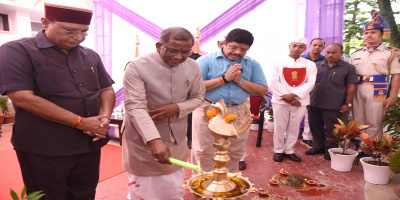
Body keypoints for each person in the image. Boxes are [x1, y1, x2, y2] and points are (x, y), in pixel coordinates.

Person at [0, 0, 115, 199]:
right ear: (45, 23)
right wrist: (80, 122)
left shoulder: (90, 55)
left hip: (89, 142)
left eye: (84, 32)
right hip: (45, 147)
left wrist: (103, 118)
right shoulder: (17, 50)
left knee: (84, 193)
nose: (78, 37)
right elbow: (23, 98)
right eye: (70, 31)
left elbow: (106, 89)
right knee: (48, 196)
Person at [122, 27, 205, 200]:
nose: (178, 57)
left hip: (177, 137)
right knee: (146, 189)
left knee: (173, 186)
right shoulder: (137, 67)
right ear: (159, 45)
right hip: (142, 139)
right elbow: (135, 107)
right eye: (173, 51)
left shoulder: (193, 66)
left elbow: (198, 97)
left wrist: (177, 108)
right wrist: (153, 139)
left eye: (185, 52)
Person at [191, 28, 268, 173]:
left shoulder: (253, 64)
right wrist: (224, 79)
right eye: (233, 47)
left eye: (243, 49)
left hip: (239, 109)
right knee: (204, 149)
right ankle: (202, 181)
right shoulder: (206, 60)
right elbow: (195, 88)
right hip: (208, 108)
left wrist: (240, 81)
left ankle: (229, 183)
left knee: (235, 150)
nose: (238, 52)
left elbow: (262, 90)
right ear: (224, 43)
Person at [349, 10, 400, 140]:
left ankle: (372, 149)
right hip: (357, 87)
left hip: (378, 87)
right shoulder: (356, 54)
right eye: (366, 33)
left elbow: (396, 75)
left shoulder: (391, 53)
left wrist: (393, 95)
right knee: (357, 119)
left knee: (374, 121)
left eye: (373, 32)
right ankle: (359, 145)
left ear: (382, 34)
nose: (369, 35)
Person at [306, 43, 358, 160]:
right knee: (315, 126)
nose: (330, 55)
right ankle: (318, 146)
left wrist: (347, 104)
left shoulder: (348, 68)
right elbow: (308, 84)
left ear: (341, 54)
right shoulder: (316, 66)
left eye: (334, 52)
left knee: (333, 130)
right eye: (328, 52)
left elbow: (351, 87)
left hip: (335, 105)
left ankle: (330, 150)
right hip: (314, 103)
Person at [269, 36, 317, 162]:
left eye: (300, 46)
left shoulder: (310, 65)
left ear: (305, 49)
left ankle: (289, 150)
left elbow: (311, 83)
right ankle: (278, 150)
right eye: (294, 46)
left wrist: (294, 95)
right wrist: (288, 98)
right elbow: (273, 82)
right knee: (279, 126)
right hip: (281, 100)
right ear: (289, 46)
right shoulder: (278, 62)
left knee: (294, 127)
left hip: (300, 101)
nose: (297, 49)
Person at [299, 38, 326, 149]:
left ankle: (307, 138)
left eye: (320, 45)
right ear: (309, 46)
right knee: (293, 114)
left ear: (323, 48)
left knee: (309, 116)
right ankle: (286, 137)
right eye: (314, 45)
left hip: (316, 91)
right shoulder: (301, 59)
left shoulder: (325, 60)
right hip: (300, 90)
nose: (317, 47)